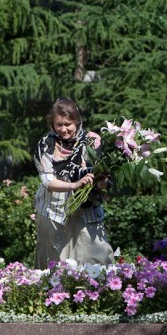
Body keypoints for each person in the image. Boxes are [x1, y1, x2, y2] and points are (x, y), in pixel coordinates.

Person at [34, 97, 114, 269]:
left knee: (96, 257)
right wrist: (75, 185)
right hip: (54, 211)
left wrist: (102, 181)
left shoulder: (92, 140)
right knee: (57, 265)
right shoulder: (46, 144)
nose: (63, 129)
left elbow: (101, 176)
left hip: (87, 208)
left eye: (68, 124)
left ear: (77, 121)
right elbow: (47, 180)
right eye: (59, 124)